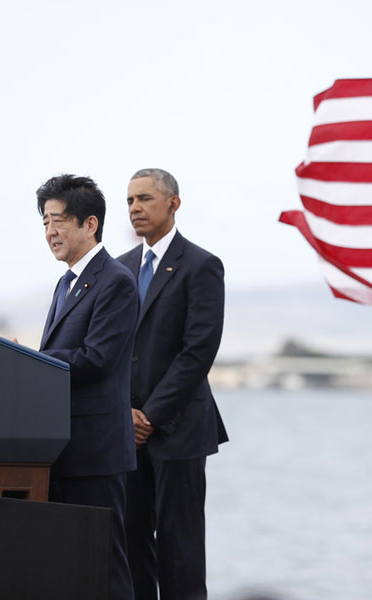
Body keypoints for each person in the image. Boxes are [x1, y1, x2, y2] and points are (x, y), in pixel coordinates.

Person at [116, 168, 228, 600]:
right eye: (129, 201)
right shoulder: (120, 268)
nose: (135, 209)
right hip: (125, 430)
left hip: (178, 429)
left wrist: (151, 416)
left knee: (180, 549)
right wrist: (126, 413)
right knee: (131, 541)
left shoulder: (202, 265)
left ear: (173, 204)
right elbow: (116, 349)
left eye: (144, 199)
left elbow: (198, 351)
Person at [36, 174, 138, 600]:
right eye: (44, 222)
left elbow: (96, 359)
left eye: (58, 220)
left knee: (105, 563)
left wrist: (32, 361)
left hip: (95, 451)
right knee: (67, 564)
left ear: (89, 223)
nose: (50, 232)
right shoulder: (65, 282)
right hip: (60, 446)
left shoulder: (115, 281)